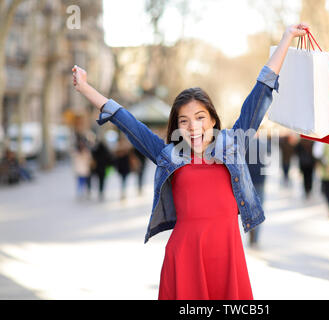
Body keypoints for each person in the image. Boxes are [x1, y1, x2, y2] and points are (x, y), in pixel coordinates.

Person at [72, 23, 309, 300]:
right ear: (177, 126)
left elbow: (262, 90)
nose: (192, 127)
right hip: (185, 256)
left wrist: (286, 38)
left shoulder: (233, 143)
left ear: (212, 120)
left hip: (227, 254)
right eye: (184, 121)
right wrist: (86, 88)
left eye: (199, 118)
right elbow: (126, 121)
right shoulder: (168, 155)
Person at [245, 132, 268, 248]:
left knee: (249, 210)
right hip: (260, 180)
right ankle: (255, 238)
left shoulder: (244, 144)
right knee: (258, 209)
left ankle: (251, 233)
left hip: (248, 181)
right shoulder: (264, 144)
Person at [90, 137, 114, 201]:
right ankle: (101, 191)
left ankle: (99, 191)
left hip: (98, 168)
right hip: (103, 168)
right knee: (102, 181)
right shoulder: (105, 151)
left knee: (98, 180)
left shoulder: (96, 151)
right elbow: (110, 159)